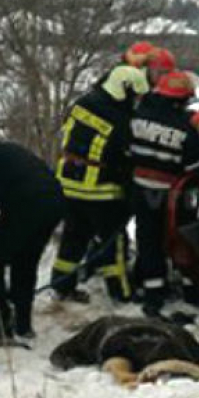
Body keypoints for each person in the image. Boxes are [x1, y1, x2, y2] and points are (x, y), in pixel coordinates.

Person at [51, 65, 149, 303]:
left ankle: (62, 285)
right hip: (100, 191)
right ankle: (121, 292)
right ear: (125, 90)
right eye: (135, 95)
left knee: (73, 237)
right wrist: (131, 196)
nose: (137, 101)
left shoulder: (83, 103)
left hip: (68, 184)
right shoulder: (120, 120)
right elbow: (125, 160)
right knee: (113, 244)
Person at [0, 138, 66, 340]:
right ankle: (23, 325)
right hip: (54, 200)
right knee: (25, 263)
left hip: (25, 202)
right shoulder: (2, 152)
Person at [130, 71, 199, 317]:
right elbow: (194, 166)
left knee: (147, 242)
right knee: (178, 239)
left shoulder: (138, 116)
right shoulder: (186, 127)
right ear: (182, 99)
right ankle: (192, 291)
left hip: (139, 189)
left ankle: (153, 296)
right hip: (171, 195)